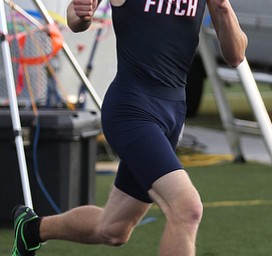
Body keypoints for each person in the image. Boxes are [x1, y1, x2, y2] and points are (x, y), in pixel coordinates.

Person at [10, 0, 247, 255]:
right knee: (187, 208)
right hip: (131, 110)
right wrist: (81, 15)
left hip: (172, 114)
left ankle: (32, 229)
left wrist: (222, 7)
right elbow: (75, 17)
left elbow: (235, 56)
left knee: (113, 229)